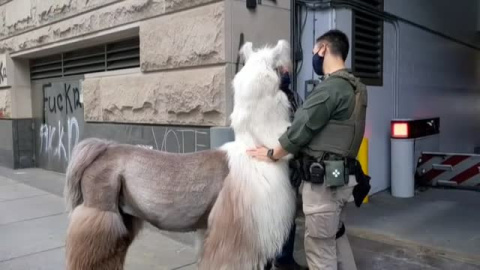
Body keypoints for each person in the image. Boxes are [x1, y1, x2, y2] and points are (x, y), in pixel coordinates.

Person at [248, 29, 368, 270]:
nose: (314, 56)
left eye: (314, 51)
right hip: (343, 178)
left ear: (323, 49)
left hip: (324, 185)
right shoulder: (357, 87)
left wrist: (271, 153)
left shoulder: (330, 89)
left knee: (320, 250)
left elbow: (299, 130)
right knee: (336, 236)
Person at [268, 69, 306, 270]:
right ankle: (264, 260)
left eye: (287, 71)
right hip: (269, 163)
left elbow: (301, 124)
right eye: (281, 71)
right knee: (266, 216)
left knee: (288, 214)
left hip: (290, 165)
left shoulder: (293, 97)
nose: (286, 74)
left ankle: (284, 258)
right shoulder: (265, 98)